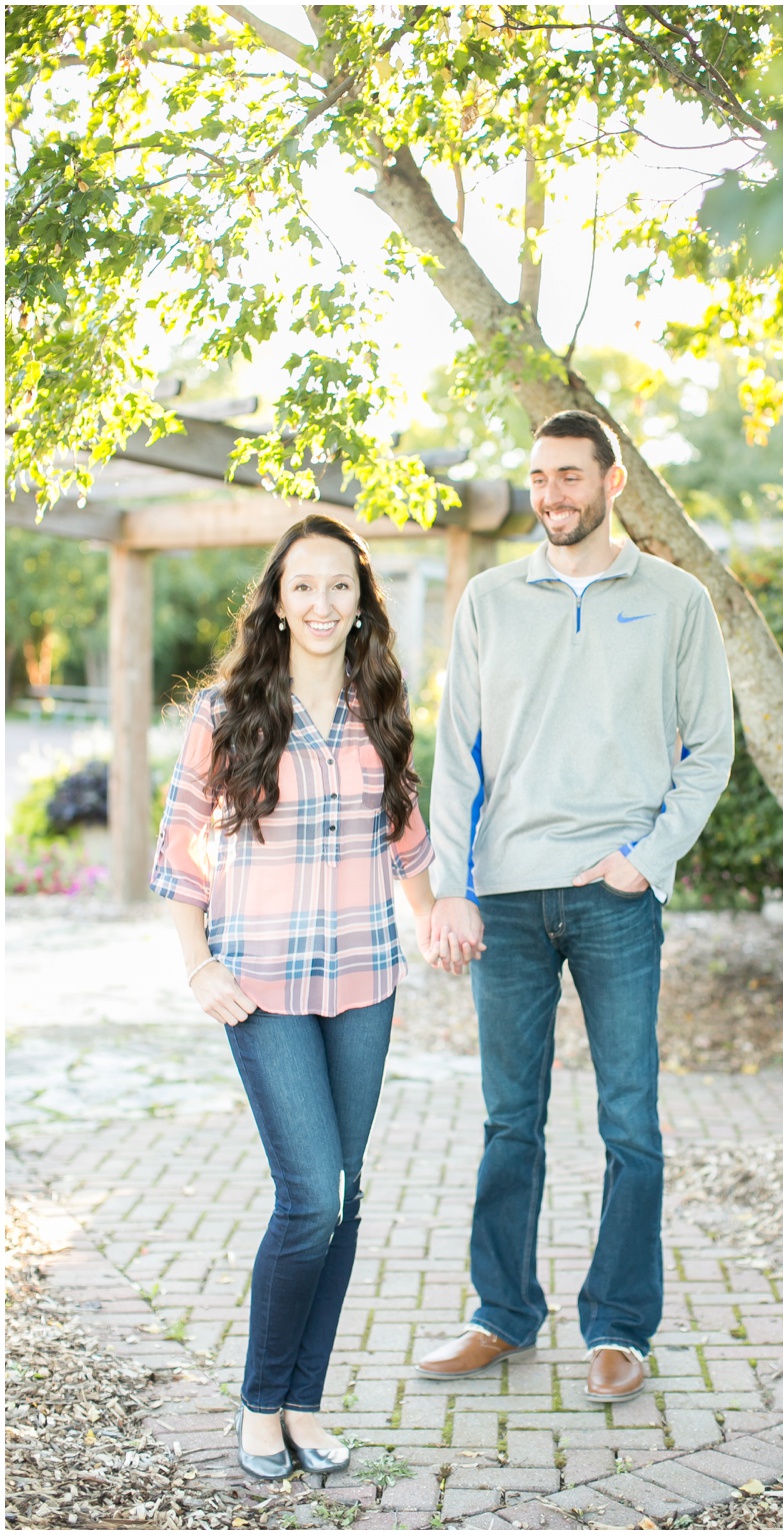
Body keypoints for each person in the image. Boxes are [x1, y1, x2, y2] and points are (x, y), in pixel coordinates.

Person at [412, 408, 734, 1404]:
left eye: (568, 475)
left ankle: (619, 1326)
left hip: (614, 894)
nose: (550, 494)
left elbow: (708, 751)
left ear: (612, 480)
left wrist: (647, 857)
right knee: (512, 1119)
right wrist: (451, 887)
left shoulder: (676, 599)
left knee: (630, 1120)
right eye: (538, 477)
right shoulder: (489, 598)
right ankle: (502, 1313)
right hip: (503, 897)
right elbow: (456, 750)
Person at [153, 514, 446, 1481]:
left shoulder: (383, 707)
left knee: (348, 1197)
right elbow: (182, 849)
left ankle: (304, 1404)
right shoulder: (225, 711)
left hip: (365, 977)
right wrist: (199, 965)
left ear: (362, 605)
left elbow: (404, 829)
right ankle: (257, 1399)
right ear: (278, 598)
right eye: (304, 586)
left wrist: (437, 912)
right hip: (263, 987)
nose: (322, 605)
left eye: (341, 588)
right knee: (309, 1195)